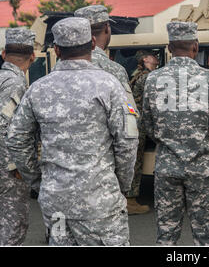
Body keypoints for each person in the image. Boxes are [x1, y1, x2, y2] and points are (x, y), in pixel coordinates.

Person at [6, 17, 138, 246]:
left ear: (56, 49)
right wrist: (121, 185)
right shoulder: (109, 85)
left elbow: (16, 139)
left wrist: (38, 181)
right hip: (100, 203)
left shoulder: (38, 89)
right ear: (93, 44)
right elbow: (127, 141)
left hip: (56, 204)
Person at [142, 21, 209, 246]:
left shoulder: (153, 79)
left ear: (169, 47)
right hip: (202, 166)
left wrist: (165, 141)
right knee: (204, 235)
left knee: (166, 235)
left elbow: (147, 123)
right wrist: (204, 142)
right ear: (195, 47)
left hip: (167, 165)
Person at [74, 5, 144, 214]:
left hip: (64, 177)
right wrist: (124, 185)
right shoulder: (113, 70)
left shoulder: (53, 75)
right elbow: (129, 125)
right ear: (107, 28)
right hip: (102, 171)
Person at [0, 28, 36, 245]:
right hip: (6, 168)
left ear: (4, 53)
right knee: (13, 225)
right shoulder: (15, 82)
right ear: (32, 56)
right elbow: (4, 126)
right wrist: (15, 166)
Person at [124, 52, 160, 214]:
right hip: (139, 124)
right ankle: (130, 201)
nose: (155, 57)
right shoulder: (147, 78)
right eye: (151, 56)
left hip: (133, 122)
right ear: (145, 60)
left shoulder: (138, 75)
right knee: (136, 163)